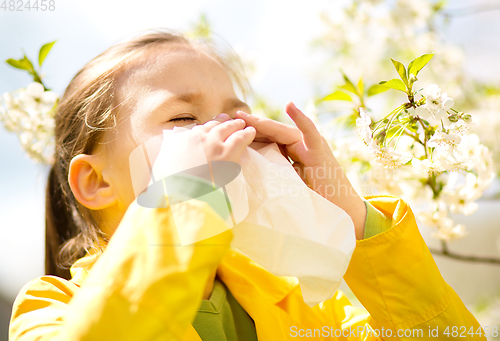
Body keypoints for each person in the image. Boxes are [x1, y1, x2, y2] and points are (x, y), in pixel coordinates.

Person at [8, 29, 486, 340]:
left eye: (237, 118)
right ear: (95, 182)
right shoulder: (48, 311)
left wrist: (349, 211)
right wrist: (185, 197)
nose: (232, 135)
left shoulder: (309, 311)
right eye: (183, 117)